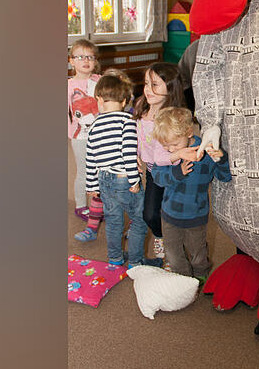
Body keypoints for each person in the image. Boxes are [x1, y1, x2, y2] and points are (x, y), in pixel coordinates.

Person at [84, 73, 162, 268]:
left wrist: (92, 186)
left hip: (104, 180)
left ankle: (115, 258)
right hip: (124, 178)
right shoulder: (127, 120)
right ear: (126, 100)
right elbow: (128, 152)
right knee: (138, 219)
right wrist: (134, 180)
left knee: (113, 220)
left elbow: (91, 158)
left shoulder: (93, 126)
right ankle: (135, 261)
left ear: (99, 99)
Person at [150, 107, 231, 283]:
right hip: (170, 214)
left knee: (198, 252)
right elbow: (157, 176)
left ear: (188, 132)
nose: (170, 149)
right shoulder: (167, 155)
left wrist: (222, 159)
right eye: (165, 146)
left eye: (174, 144)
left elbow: (224, 177)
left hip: (196, 215)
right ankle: (183, 280)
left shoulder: (206, 151)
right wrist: (176, 172)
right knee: (172, 253)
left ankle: (201, 274)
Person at [134, 63, 189, 268]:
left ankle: (176, 253)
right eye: (147, 83)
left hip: (171, 170)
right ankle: (162, 239)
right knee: (150, 214)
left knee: (174, 214)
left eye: (155, 84)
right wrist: (137, 156)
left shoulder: (173, 116)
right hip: (151, 171)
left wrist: (179, 153)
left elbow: (168, 151)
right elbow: (138, 138)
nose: (148, 89)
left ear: (170, 87)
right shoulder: (142, 107)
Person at [67, 39, 102, 241]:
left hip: (100, 135)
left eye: (90, 57)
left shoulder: (100, 81)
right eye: (80, 57)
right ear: (72, 61)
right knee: (83, 171)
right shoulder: (69, 85)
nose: (85, 61)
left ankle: (98, 203)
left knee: (99, 170)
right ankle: (81, 205)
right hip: (79, 136)